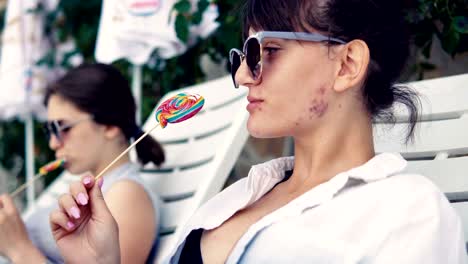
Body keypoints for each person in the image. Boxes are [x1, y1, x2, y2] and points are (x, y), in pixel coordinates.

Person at [49, 0, 467, 263]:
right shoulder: (237, 197)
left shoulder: (406, 214)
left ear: (347, 64)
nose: (244, 76)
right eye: (242, 56)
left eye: (266, 52)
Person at [0, 63, 165, 263]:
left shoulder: (127, 194)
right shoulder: (87, 192)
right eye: (50, 131)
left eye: (63, 128)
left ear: (109, 124)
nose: (53, 143)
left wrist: (19, 249)